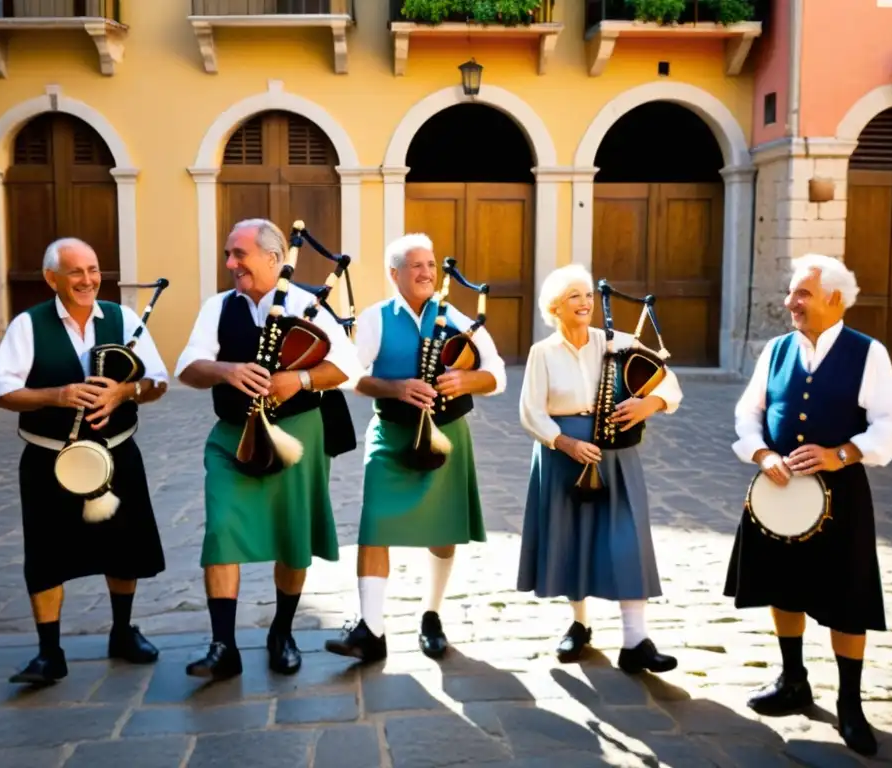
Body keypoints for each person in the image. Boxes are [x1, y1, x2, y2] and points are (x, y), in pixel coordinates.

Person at [724, 253, 892, 757]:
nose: (790, 302)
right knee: (783, 587)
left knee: (847, 600)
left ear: (833, 298)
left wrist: (843, 453)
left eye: (801, 294)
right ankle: (793, 680)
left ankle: (850, 703)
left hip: (841, 495)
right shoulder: (776, 350)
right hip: (781, 491)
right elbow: (749, 413)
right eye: (791, 292)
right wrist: (761, 453)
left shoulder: (868, 354)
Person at [175, 218, 359, 680]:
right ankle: (224, 646)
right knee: (220, 530)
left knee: (292, 537)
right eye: (227, 255)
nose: (230, 263)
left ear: (274, 259)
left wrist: (298, 380)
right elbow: (187, 367)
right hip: (233, 434)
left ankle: (282, 632)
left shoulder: (307, 305)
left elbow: (349, 366)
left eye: (239, 254)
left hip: (299, 433)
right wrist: (225, 370)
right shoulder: (218, 307)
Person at [0, 237, 169, 685]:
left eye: (93, 270)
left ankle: (123, 632)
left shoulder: (123, 318)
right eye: (75, 272)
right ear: (52, 278)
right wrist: (59, 395)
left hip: (118, 452)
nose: (87, 280)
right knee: (46, 555)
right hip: (52, 461)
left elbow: (158, 381)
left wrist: (125, 391)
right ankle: (50, 653)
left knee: (124, 548)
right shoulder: (29, 325)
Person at [323, 233, 506, 663]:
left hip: (447, 434)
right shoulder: (376, 318)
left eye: (430, 265)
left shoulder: (458, 319)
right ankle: (371, 629)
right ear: (395, 274)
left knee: (443, 533)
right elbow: (349, 374)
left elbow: (495, 372)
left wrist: (466, 379)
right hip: (392, 432)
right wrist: (395, 387)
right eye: (416, 266)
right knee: (375, 525)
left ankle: (432, 615)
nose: (426, 273)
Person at [516, 264, 683, 674]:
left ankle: (635, 641)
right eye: (575, 295)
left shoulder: (619, 343)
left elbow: (669, 382)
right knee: (572, 540)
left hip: (616, 454)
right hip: (563, 456)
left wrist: (650, 403)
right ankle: (579, 625)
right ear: (555, 306)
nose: (586, 302)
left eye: (588, 294)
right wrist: (566, 443)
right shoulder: (543, 353)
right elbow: (530, 412)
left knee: (628, 539)